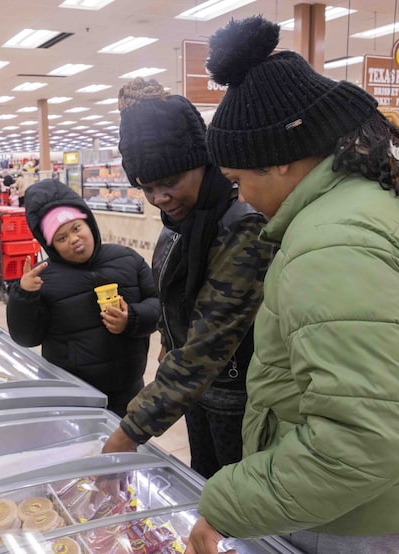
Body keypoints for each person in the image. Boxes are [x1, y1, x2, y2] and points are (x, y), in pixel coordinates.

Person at [185, 16, 399, 554]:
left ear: (279, 160)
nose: (241, 198)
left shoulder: (333, 244)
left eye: (239, 180)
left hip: (348, 515)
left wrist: (230, 502)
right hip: (397, 488)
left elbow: (361, 439)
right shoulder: (377, 201)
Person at [100, 77, 274, 479]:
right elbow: (171, 292)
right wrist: (166, 339)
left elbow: (208, 342)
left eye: (170, 182)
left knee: (231, 501)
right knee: (201, 480)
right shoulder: (180, 220)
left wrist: (130, 432)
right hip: (197, 395)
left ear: (204, 162)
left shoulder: (241, 227)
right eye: (147, 187)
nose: (160, 198)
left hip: (237, 398)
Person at [5, 179, 160, 416]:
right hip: (74, 394)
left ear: (88, 223)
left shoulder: (127, 259)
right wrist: (24, 294)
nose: (74, 239)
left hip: (128, 386)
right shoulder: (43, 278)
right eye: (61, 238)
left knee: (127, 446)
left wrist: (132, 319)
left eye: (76, 228)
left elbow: (159, 304)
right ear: (51, 246)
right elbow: (26, 337)